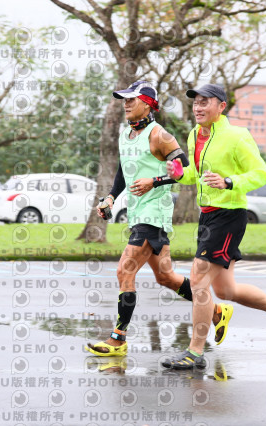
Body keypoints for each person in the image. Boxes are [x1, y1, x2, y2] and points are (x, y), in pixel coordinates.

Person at [85, 80, 232, 357]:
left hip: (154, 213)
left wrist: (154, 181)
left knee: (124, 271)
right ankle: (216, 311)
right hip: (137, 212)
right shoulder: (125, 134)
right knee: (166, 277)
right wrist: (111, 197)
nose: (126, 104)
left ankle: (118, 339)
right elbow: (124, 170)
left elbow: (185, 170)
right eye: (124, 100)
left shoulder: (159, 135)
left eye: (132, 99)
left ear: (148, 104)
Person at [162, 83, 266, 370]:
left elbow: (261, 173)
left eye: (205, 102)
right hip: (207, 216)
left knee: (198, 281)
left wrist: (229, 182)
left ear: (221, 106)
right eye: (195, 102)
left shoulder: (237, 136)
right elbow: (196, 175)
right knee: (226, 291)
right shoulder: (194, 135)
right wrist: (179, 174)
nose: (198, 107)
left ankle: (195, 351)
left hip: (229, 216)